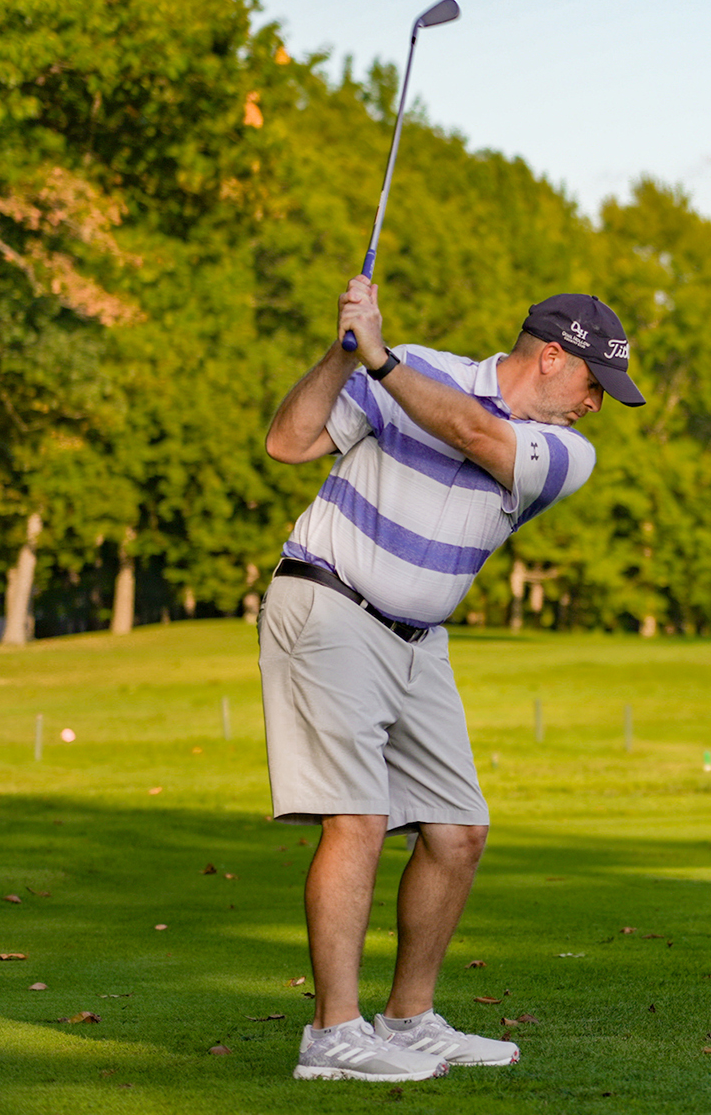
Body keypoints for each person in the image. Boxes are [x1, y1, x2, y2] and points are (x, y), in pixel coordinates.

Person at [260, 275, 643, 1082]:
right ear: (551, 357)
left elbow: (472, 431)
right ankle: (332, 1034)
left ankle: (408, 1019)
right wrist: (344, 353)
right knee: (358, 819)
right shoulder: (415, 366)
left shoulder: (565, 454)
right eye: (593, 383)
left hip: (419, 640)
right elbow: (288, 444)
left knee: (458, 830)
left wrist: (382, 361)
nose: (595, 404)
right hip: (329, 602)